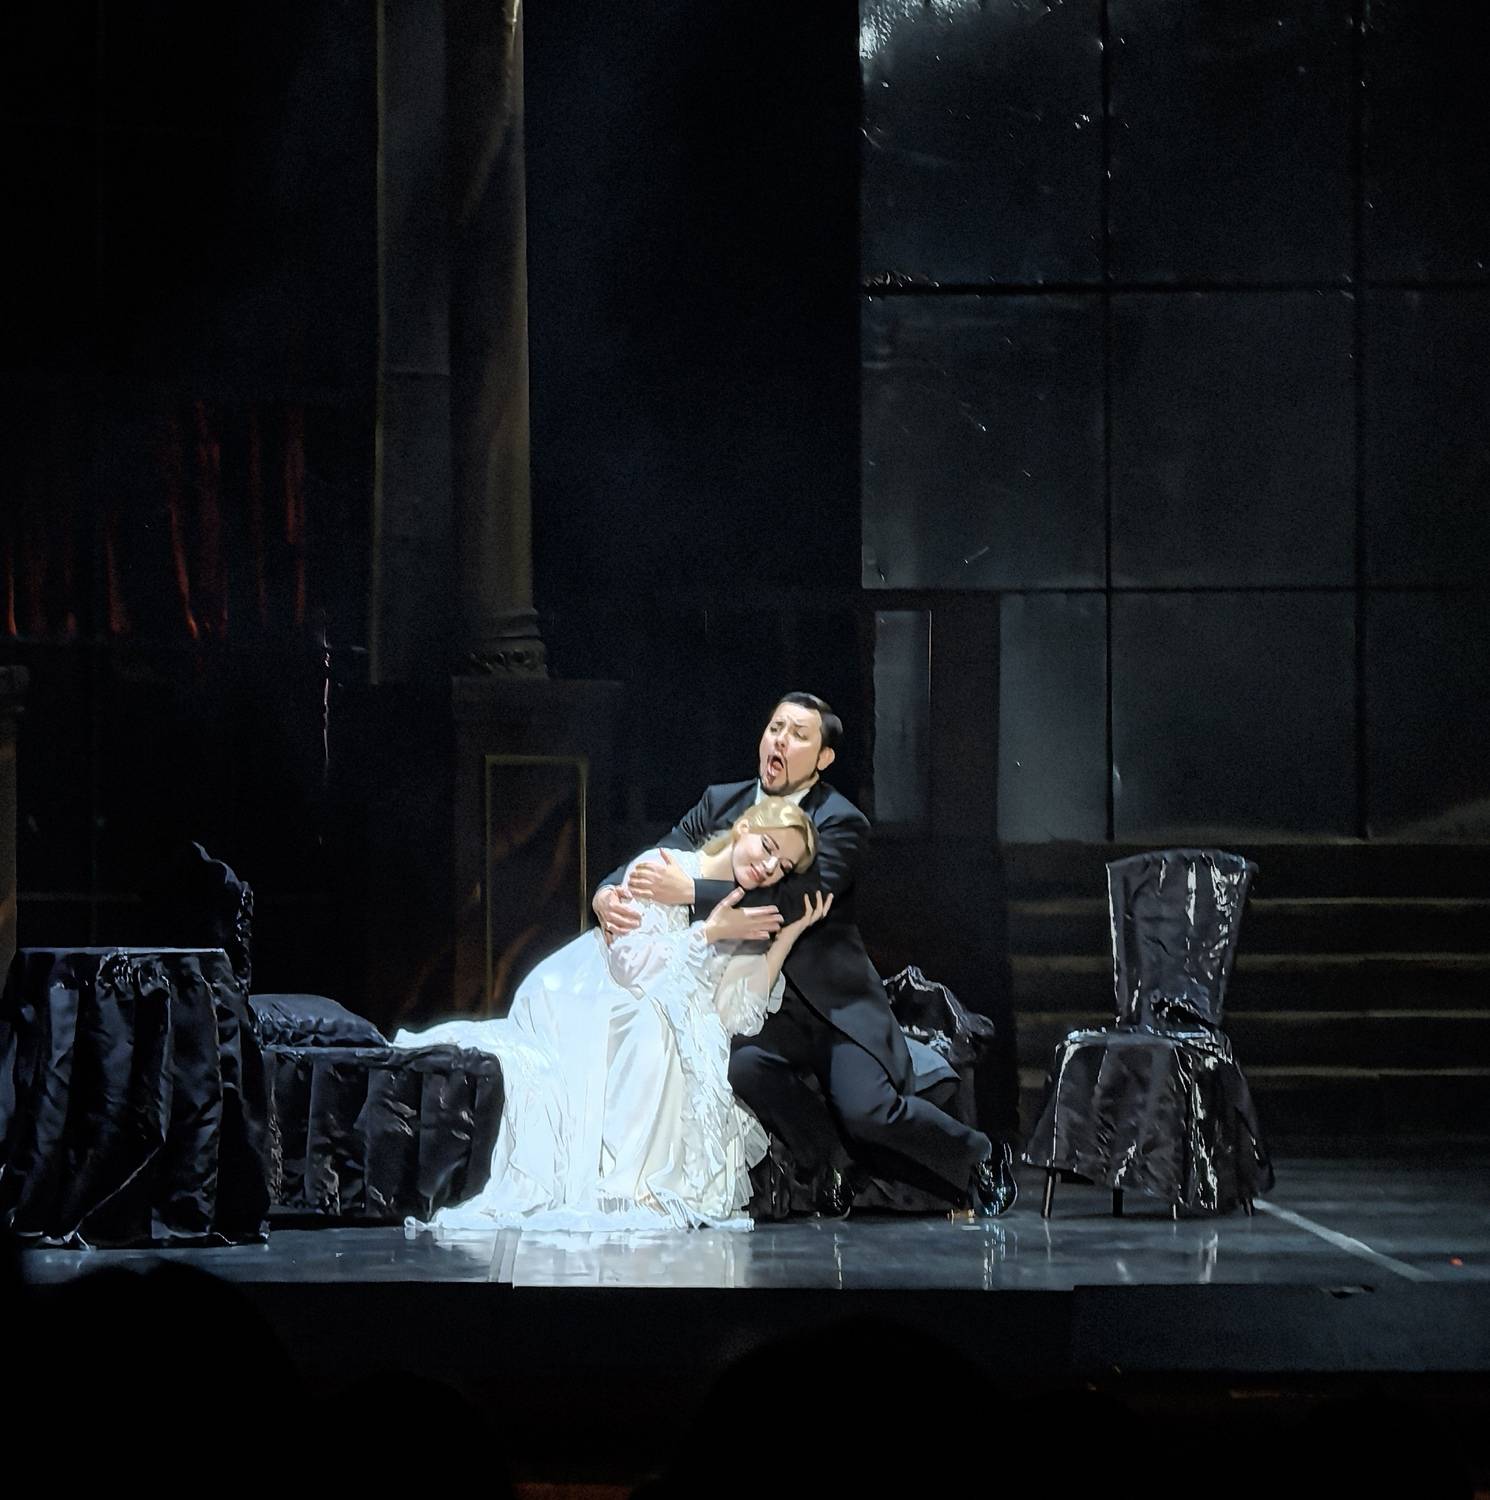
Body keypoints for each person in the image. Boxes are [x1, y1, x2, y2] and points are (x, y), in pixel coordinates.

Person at [594, 692, 1017, 1217]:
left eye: (798, 735)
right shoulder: (722, 802)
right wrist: (608, 891)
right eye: (776, 728)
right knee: (740, 1068)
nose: (781, 741)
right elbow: (662, 852)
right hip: (758, 1003)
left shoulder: (841, 820)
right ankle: (831, 1162)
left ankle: (980, 1155)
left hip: (832, 1007)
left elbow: (793, 900)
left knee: (868, 1112)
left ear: (823, 758)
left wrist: (691, 892)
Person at [395, 798, 829, 1232]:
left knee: (689, 1041)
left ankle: (651, 1184)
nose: (769, 867)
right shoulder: (662, 867)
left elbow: (735, 1013)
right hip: (589, 992)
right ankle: (625, 1184)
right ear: (745, 827)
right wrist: (708, 934)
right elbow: (631, 966)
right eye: (768, 847)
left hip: (653, 1006)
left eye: (783, 866)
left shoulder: (746, 912)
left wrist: (786, 936)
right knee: (653, 1026)